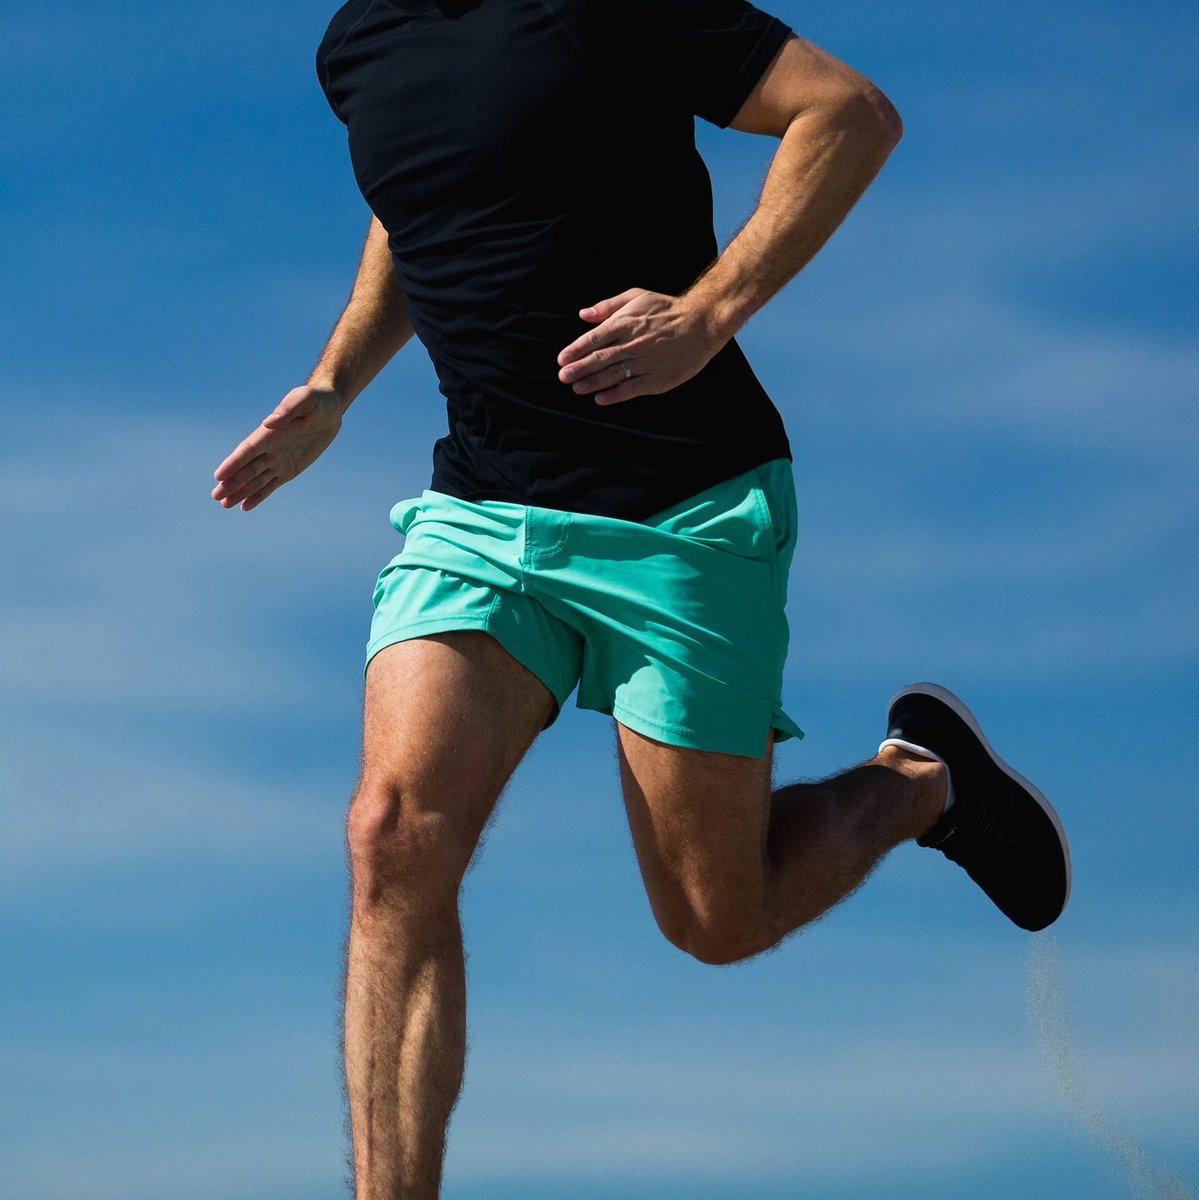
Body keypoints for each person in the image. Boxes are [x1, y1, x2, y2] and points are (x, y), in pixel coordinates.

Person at [212, 1, 1071, 1196]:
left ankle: (924, 787)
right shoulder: (358, 44)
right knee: (392, 834)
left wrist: (707, 314)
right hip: (483, 510)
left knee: (717, 917)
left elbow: (846, 113)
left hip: (680, 504)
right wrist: (334, 382)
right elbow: (415, 200)